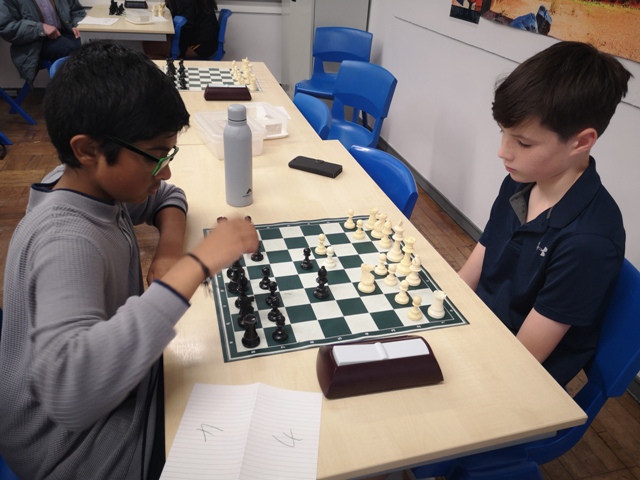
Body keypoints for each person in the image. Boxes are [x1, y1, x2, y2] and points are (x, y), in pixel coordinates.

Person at [0, 41, 258, 479]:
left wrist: (170, 249)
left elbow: (169, 195)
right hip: (79, 453)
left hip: (111, 397)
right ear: (88, 150)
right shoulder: (66, 239)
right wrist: (194, 265)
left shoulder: (85, 184)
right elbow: (70, 394)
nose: (165, 170)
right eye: (156, 155)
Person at [458, 41, 632, 387]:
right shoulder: (520, 181)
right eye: (503, 133)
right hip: (479, 333)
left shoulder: (588, 242)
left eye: (523, 143)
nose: (503, 152)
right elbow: (472, 270)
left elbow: (521, 361)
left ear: (581, 142)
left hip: (516, 377)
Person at [0, 0, 86, 84]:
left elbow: (77, 11)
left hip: (65, 32)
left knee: (88, 47)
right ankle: (79, 91)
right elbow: (6, 27)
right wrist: (40, 28)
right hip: (35, 42)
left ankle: (88, 89)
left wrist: (77, 25)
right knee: (74, 52)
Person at [144, 0, 219, 60]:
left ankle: (169, 70)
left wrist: (178, 49)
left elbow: (186, 27)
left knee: (149, 46)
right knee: (151, 43)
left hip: (201, 45)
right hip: (199, 40)